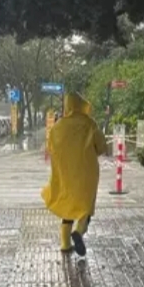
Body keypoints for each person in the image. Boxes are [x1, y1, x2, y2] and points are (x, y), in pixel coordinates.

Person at [41, 92, 107, 256]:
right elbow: (101, 146)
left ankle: (64, 244)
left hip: (66, 174)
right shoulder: (89, 124)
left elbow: (51, 148)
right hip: (87, 173)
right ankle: (79, 231)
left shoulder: (58, 127)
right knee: (85, 206)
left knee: (67, 207)